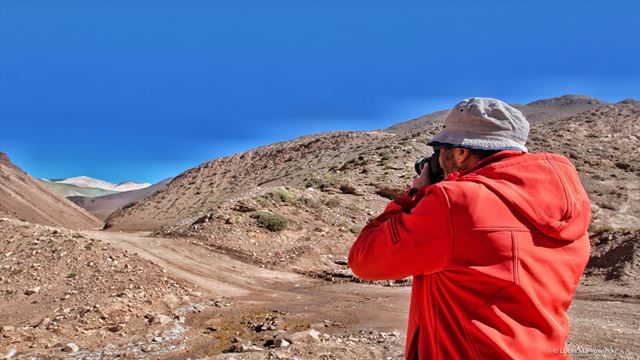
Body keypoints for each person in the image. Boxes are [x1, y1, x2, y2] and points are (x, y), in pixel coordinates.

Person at [348, 97, 591, 359]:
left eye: (441, 150)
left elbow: (364, 260)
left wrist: (414, 195)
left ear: (462, 152)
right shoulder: (569, 211)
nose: (438, 160)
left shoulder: (455, 202)